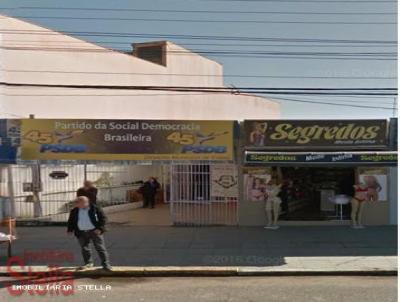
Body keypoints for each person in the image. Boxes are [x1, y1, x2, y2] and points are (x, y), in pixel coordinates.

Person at [67, 196, 112, 271]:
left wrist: (100, 229)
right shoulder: (74, 210)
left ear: (84, 202)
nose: (76, 205)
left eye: (77, 203)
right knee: (85, 248)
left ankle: (106, 264)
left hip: (94, 231)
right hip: (81, 232)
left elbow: (104, 219)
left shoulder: (95, 208)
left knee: (100, 248)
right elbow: (71, 221)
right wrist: (70, 229)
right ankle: (88, 263)